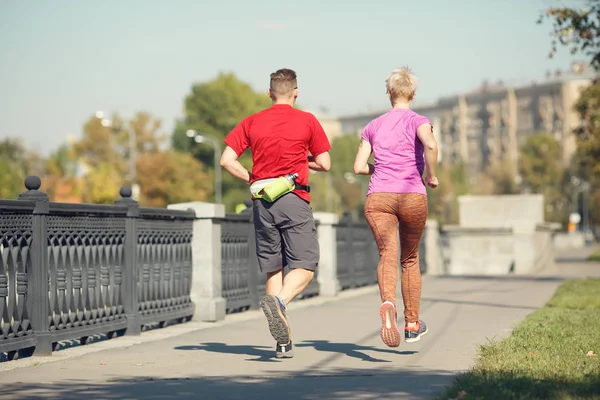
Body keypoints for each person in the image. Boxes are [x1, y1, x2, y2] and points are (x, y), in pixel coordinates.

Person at [220, 68, 331, 358]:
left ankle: (282, 342)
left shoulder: (252, 121)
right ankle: (279, 303)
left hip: (262, 201)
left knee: (274, 267)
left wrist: (253, 179)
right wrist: (303, 159)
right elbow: (326, 162)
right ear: (296, 92)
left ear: (269, 93)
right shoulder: (307, 120)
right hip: (293, 197)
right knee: (305, 266)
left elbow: (226, 160)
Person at [353, 66, 439, 348]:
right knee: (409, 258)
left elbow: (357, 167)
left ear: (388, 93)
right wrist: (431, 174)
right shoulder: (419, 121)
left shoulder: (372, 126)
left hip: (379, 197)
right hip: (412, 194)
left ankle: (387, 301)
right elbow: (431, 145)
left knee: (387, 253)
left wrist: (377, 168)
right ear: (413, 94)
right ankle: (412, 324)